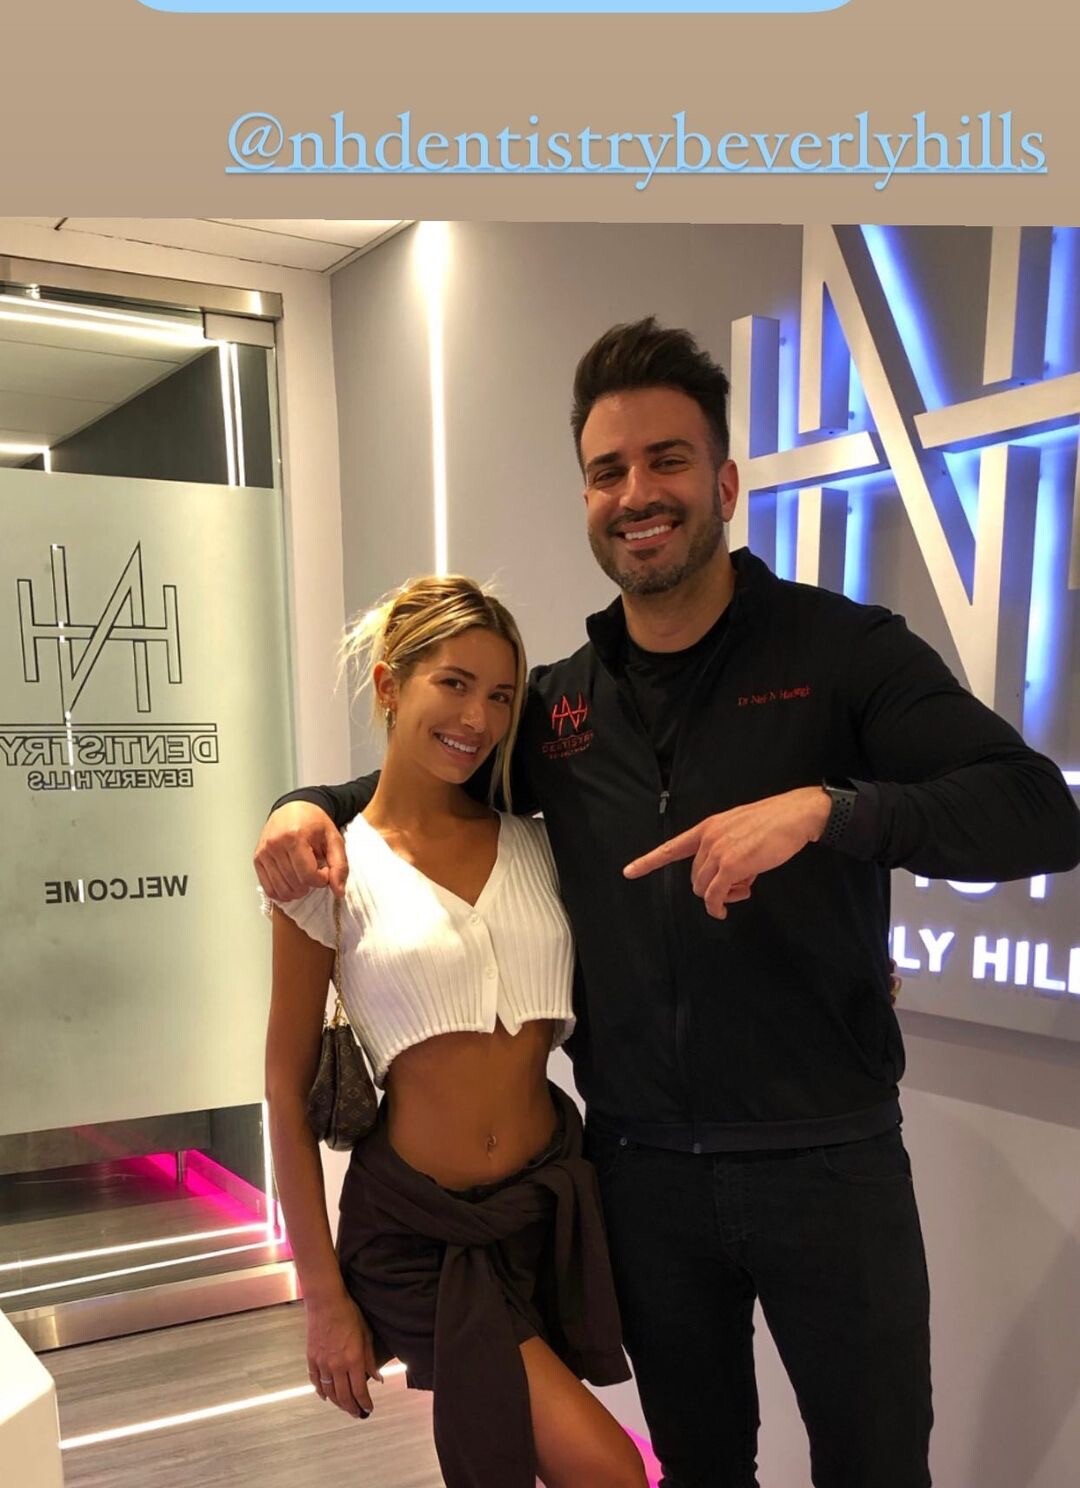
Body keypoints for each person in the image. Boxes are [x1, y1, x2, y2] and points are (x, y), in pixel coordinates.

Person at [257, 320, 1080, 1488]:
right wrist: (301, 805)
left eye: (668, 461)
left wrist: (826, 811)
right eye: (609, 470)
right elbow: (423, 778)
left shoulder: (843, 653)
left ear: (725, 484)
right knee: (697, 1466)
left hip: (827, 1160)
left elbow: (1038, 812)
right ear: (588, 499)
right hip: (640, 1174)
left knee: (877, 1464)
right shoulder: (559, 708)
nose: (637, 493)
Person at [263, 573, 643, 1488]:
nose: (478, 718)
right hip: (420, 1234)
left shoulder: (541, 845)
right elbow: (283, 1085)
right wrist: (322, 1298)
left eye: (502, 696)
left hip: (544, 1215)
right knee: (611, 1472)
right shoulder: (329, 871)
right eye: (455, 684)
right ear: (390, 685)